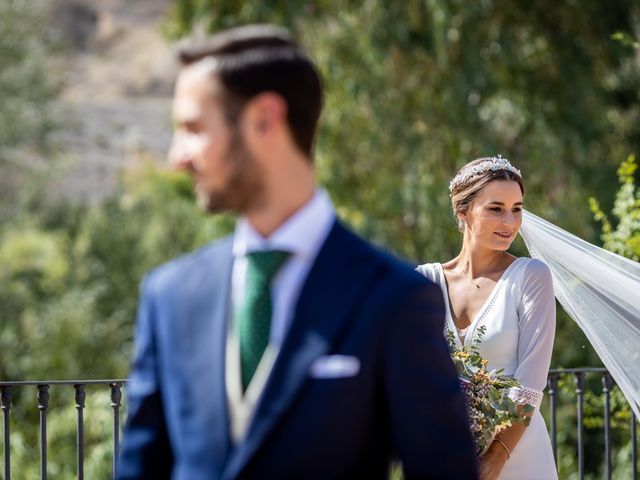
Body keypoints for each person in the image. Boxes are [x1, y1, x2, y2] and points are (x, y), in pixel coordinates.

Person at [117, 24, 477, 479]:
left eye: (192, 128)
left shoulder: (394, 299)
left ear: (265, 120)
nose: (177, 156)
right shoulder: (169, 294)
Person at [416, 156, 557, 480]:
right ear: (463, 211)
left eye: (517, 208)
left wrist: (496, 457)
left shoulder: (531, 276)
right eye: (496, 208)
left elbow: (530, 385)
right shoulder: (423, 282)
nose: (510, 221)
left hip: (518, 456)